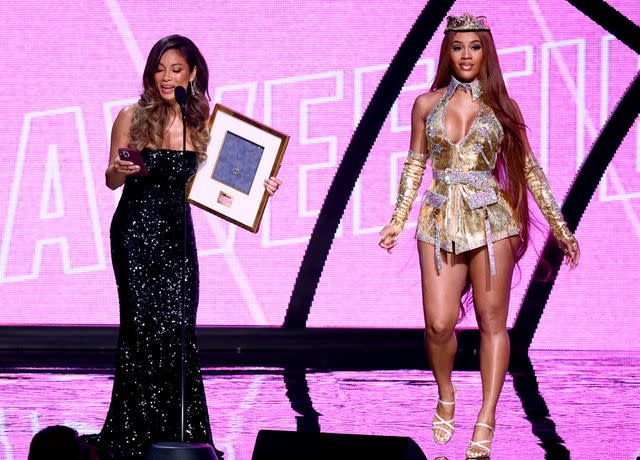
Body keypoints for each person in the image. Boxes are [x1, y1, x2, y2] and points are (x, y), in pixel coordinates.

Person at [378, 14, 579, 459]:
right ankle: (446, 392)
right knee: (439, 323)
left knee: (492, 322)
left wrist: (561, 228)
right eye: (457, 46)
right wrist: (397, 218)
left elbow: (530, 170)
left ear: (486, 52)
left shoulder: (503, 106)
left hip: (491, 222)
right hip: (437, 219)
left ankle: (486, 418)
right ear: (447, 52)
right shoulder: (425, 104)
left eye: (474, 46)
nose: (466, 55)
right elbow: (415, 165)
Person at [98, 35, 282, 459]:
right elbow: (110, 179)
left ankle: (181, 434)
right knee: (141, 332)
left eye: (176, 69)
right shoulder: (130, 116)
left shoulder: (205, 126)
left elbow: (228, 190)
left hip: (178, 241)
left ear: (193, 74)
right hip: (135, 236)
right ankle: (132, 438)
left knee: (179, 332)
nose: (166, 77)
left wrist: (263, 187)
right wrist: (119, 168)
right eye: (160, 69)